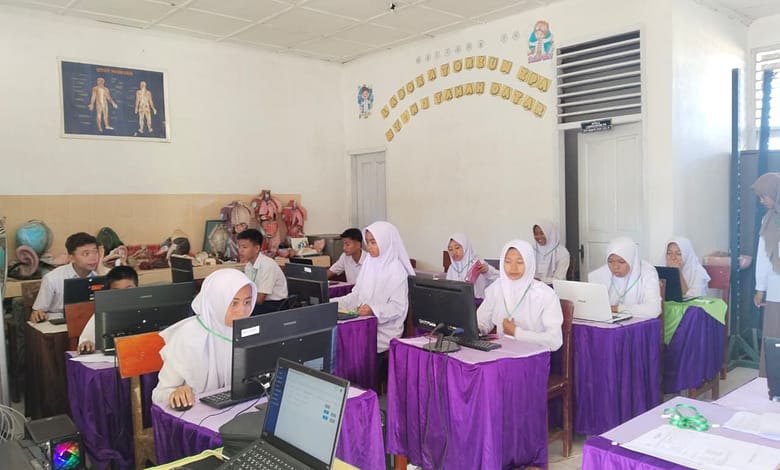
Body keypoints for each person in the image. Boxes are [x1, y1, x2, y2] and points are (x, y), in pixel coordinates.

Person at [152, 269, 256, 407]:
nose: (242, 311)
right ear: (215, 301)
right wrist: (176, 394)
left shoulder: (249, 331)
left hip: (237, 410)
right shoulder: (188, 335)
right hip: (196, 415)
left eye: (247, 302)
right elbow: (159, 395)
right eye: (233, 303)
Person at [331, 221, 415, 353]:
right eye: (368, 242)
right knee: (337, 337)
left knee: (347, 343)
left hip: (384, 331)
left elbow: (398, 308)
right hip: (363, 322)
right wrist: (333, 303)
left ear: (386, 242)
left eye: (373, 242)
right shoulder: (369, 263)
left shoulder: (397, 270)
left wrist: (373, 310)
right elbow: (357, 295)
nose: (369, 247)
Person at [477, 240, 563, 351]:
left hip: (533, 355)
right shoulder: (497, 287)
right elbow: (482, 320)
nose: (513, 268)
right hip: (500, 352)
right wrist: (478, 328)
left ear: (529, 263)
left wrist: (517, 333)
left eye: (520, 262)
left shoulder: (546, 294)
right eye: (508, 262)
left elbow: (555, 341)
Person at [30, 232, 100, 323]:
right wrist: (38, 314)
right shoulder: (52, 278)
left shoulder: (100, 276)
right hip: (60, 323)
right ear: (71, 258)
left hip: (91, 323)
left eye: (95, 252)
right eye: (86, 254)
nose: (93, 258)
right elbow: (38, 312)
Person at [588, 236, 661, 319]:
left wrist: (617, 308)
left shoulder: (648, 273)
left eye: (621, 262)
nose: (615, 267)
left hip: (638, 324)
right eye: (610, 261)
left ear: (632, 260)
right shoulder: (598, 275)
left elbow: (654, 310)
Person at [752, 172, 780, 377]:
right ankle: (772, 380)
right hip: (775, 287)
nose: (762, 201)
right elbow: (763, 256)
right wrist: (760, 287)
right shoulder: (768, 219)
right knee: (774, 334)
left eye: (764, 196)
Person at [77, 266, 138, 354]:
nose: (123, 296)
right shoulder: (102, 314)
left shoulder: (149, 309)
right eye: (117, 292)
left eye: (128, 290)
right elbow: (85, 341)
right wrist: (87, 343)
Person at [236, 229, 287, 315]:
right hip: (258, 302)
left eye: (244, 247)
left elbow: (260, 299)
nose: (240, 250)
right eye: (239, 247)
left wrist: (241, 300)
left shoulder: (267, 265)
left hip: (275, 305)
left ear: (256, 248)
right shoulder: (249, 265)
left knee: (240, 313)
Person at [445, 233, 498, 298]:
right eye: (450, 249)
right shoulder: (452, 268)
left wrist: (487, 271)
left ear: (465, 247)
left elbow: (499, 278)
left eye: (457, 248)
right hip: (457, 301)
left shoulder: (478, 264)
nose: (454, 252)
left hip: (478, 301)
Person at [532, 220, 570, 284]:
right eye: (536, 234)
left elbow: (559, 280)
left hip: (554, 287)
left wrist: (540, 280)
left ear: (550, 233)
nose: (539, 237)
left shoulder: (562, 253)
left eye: (542, 233)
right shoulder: (532, 250)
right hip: (533, 286)